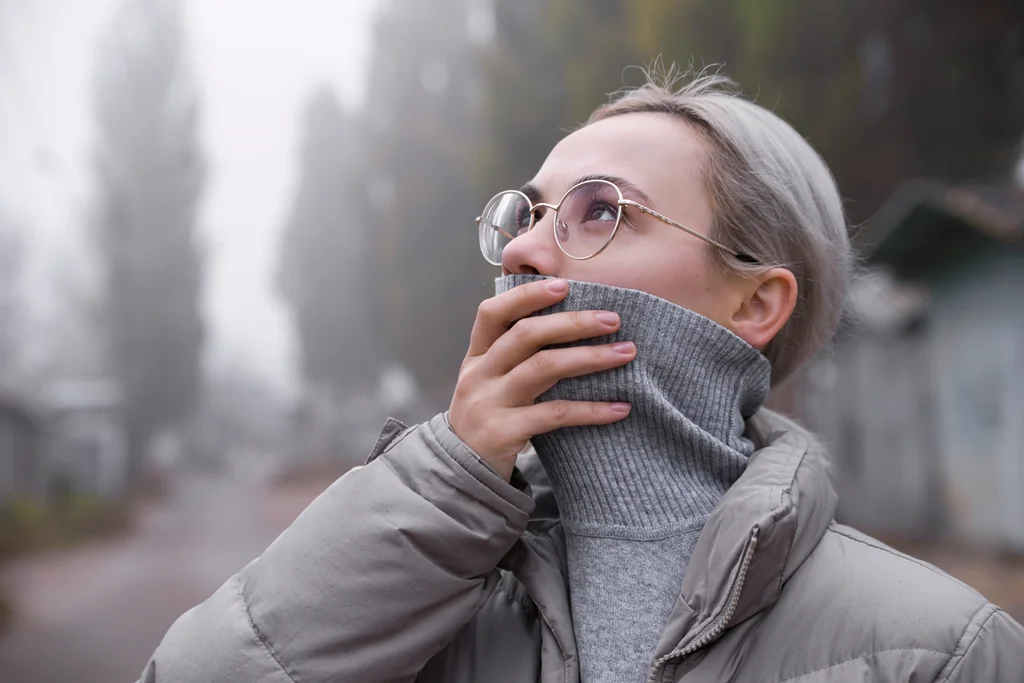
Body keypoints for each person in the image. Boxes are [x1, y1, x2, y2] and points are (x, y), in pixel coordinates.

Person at [137, 69, 1024, 683]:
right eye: (523, 213)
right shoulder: (422, 604)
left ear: (755, 302)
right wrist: (445, 478)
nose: (522, 247)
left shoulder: (942, 651)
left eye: (599, 209)